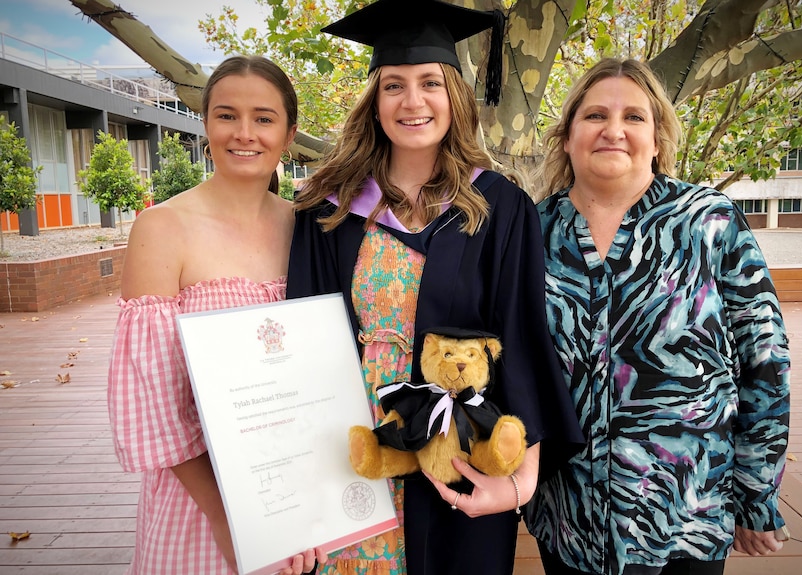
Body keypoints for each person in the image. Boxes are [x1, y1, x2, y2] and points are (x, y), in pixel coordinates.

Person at [286, 0, 584, 573]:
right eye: (393, 85)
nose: (412, 101)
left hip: (461, 453)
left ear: (456, 95)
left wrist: (519, 484)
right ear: (374, 101)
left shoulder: (499, 208)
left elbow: (521, 342)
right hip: (352, 443)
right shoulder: (330, 211)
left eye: (430, 83)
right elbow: (303, 347)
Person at [524, 57, 792, 575]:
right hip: (568, 516)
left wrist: (757, 494)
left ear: (658, 138)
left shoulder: (707, 222)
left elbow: (766, 360)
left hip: (685, 514)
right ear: (567, 135)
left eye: (634, 118)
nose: (614, 131)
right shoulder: (530, 232)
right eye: (596, 115)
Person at [107, 55, 322, 575]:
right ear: (205, 126)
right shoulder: (163, 228)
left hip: (297, 494)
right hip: (205, 503)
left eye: (264, 118)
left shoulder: (310, 228)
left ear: (289, 134)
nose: (244, 133)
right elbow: (157, 406)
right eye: (226, 115)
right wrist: (237, 525)